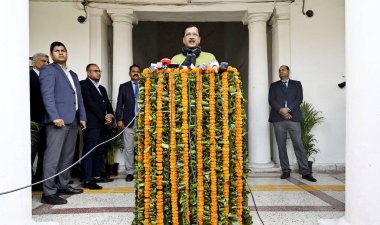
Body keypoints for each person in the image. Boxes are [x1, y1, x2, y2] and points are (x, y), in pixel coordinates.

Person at [39, 41, 87, 205]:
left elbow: (78, 97)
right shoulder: (48, 70)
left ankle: (63, 185)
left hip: (73, 120)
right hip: (57, 120)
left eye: (63, 50)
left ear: (67, 53)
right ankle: (48, 192)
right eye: (56, 51)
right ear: (52, 55)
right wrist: (54, 116)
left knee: (67, 156)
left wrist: (82, 117)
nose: (60, 53)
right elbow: (47, 95)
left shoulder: (72, 74)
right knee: (52, 157)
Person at [268, 65, 317, 182]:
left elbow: (299, 99)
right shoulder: (274, 85)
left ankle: (305, 172)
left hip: (293, 118)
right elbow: (271, 100)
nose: (280, 71)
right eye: (279, 70)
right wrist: (281, 111)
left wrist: (288, 110)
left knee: (298, 144)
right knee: (281, 145)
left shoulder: (297, 84)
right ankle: (285, 170)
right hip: (278, 119)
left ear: (288, 71)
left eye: (283, 69)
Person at [80, 63, 114, 189]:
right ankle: (87, 180)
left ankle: (97, 175)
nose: (98, 73)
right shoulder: (84, 85)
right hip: (92, 125)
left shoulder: (102, 88)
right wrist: (103, 116)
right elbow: (89, 103)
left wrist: (110, 115)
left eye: (99, 71)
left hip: (103, 125)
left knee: (99, 152)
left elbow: (108, 105)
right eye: (95, 71)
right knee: (89, 152)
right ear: (88, 72)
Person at [115, 64, 140, 182]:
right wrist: (119, 119)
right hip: (128, 121)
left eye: (137, 71)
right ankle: (129, 172)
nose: (135, 73)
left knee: (142, 148)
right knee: (129, 148)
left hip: (144, 122)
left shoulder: (147, 85)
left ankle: (142, 171)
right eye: (133, 71)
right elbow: (119, 104)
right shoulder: (124, 87)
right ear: (129, 73)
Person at [30, 53, 49, 190]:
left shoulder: (46, 77)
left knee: (44, 153)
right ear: (34, 62)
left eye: (48, 62)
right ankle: (29, 182)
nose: (46, 64)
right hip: (33, 122)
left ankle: (39, 181)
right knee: (30, 154)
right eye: (43, 61)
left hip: (46, 122)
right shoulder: (28, 77)